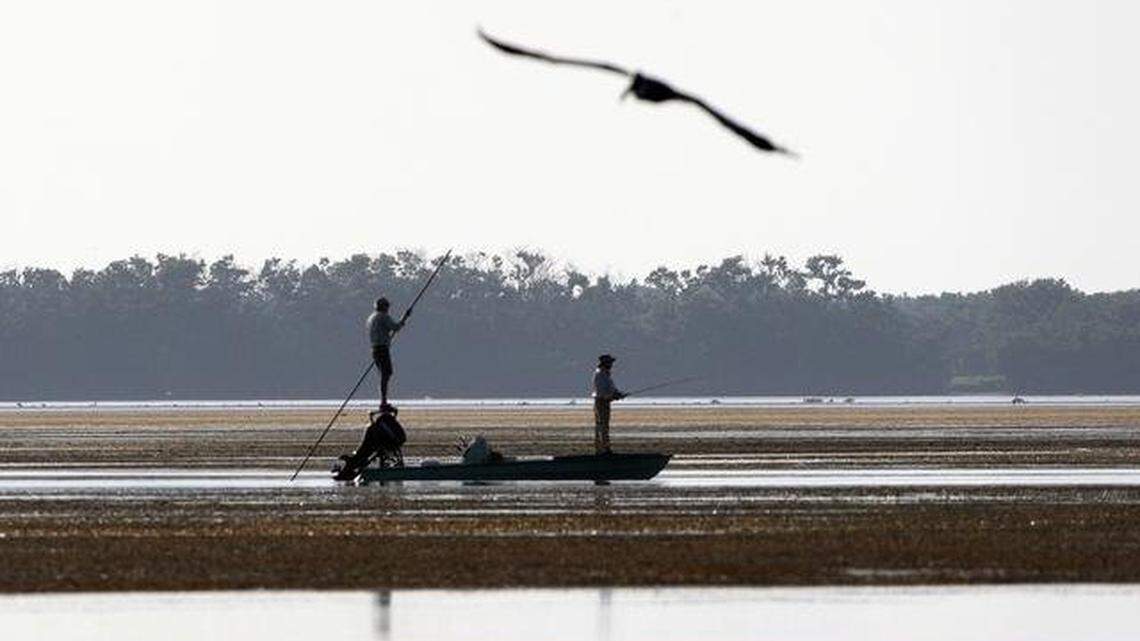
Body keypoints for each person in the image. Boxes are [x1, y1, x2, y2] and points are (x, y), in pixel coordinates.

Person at [334, 404, 407, 480]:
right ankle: (353, 464)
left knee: (369, 434)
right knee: (366, 444)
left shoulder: (385, 420)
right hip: (384, 442)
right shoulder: (387, 420)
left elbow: (387, 434)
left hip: (390, 443)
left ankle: (353, 464)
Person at [367, 297, 406, 406]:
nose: (388, 308)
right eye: (387, 306)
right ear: (384, 306)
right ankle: (383, 401)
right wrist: (404, 318)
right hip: (382, 348)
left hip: (375, 349)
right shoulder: (383, 316)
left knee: (384, 374)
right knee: (386, 374)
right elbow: (395, 327)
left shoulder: (371, 318)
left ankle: (383, 400)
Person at [591, 353, 626, 455]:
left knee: (603, 426)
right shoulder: (600, 375)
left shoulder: (605, 374)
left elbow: (611, 389)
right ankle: (603, 450)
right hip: (601, 402)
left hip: (605, 402)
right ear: (605, 363)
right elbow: (601, 393)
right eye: (610, 362)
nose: (612, 364)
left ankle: (602, 449)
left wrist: (618, 394)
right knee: (602, 426)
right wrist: (614, 396)